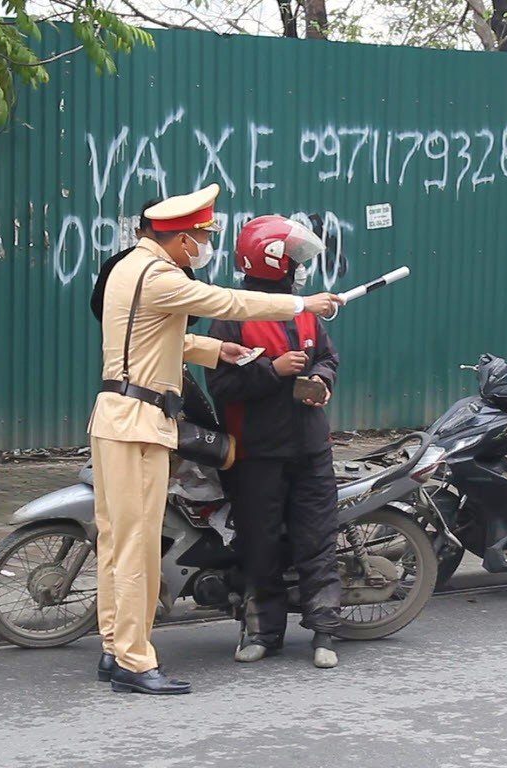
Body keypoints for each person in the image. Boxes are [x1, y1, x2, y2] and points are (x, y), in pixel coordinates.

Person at [89, 185, 344, 695]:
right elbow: (226, 299)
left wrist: (214, 351)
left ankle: (115, 648)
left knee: (116, 544)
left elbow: (163, 337)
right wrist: (301, 303)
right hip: (139, 422)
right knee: (137, 549)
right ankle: (136, 663)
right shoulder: (159, 275)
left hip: (117, 417)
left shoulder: (127, 268)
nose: (203, 247)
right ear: (182, 240)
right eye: (201, 238)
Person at [205, 215, 343, 670]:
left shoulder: (303, 308)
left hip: (310, 448)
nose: (299, 266)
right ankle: (263, 632)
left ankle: (325, 632)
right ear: (274, 262)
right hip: (257, 454)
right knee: (260, 544)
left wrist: (320, 379)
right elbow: (222, 387)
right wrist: (273, 371)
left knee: (317, 539)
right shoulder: (231, 316)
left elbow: (327, 357)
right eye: (293, 258)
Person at [91, 199, 218, 430]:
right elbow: (215, 306)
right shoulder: (161, 269)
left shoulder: (175, 266)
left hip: (162, 364)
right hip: (144, 386)